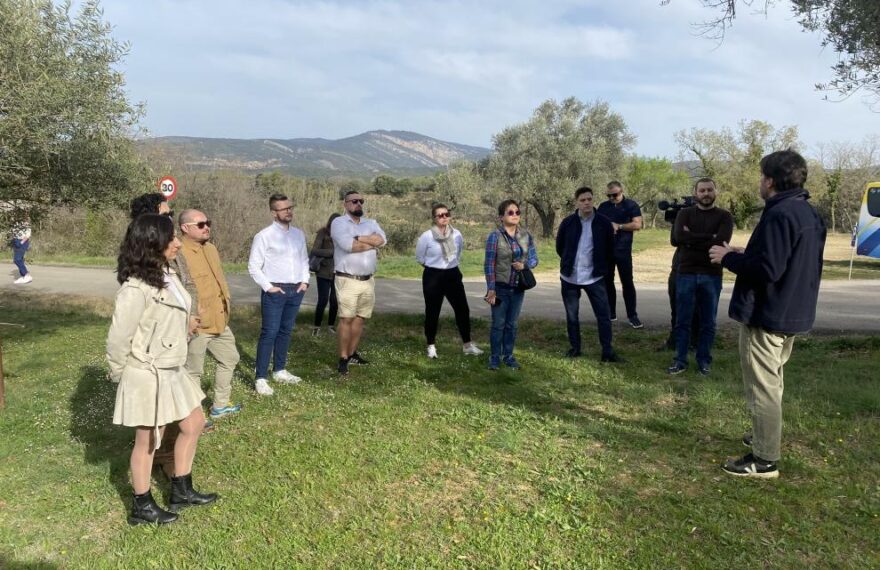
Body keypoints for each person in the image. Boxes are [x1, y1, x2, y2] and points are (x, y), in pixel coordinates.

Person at [709, 150, 826, 479]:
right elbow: (787, 258)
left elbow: (767, 269)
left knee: (762, 388)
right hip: (792, 312)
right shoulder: (808, 212)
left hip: (767, 314)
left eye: (762, 177)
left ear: (771, 181)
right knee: (773, 383)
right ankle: (765, 434)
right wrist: (746, 252)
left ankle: (763, 460)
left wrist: (726, 258)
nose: (760, 182)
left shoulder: (779, 214)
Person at [106, 214, 217, 525]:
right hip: (147, 373)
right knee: (149, 442)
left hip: (173, 367)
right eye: (172, 238)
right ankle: (141, 506)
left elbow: (170, 314)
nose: (178, 243)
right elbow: (118, 340)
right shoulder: (135, 288)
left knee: (194, 423)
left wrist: (186, 325)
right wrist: (124, 378)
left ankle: (181, 490)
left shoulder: (167, 273)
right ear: (154, 243)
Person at [177, 209, 241, 418]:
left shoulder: (211, 249)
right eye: (200, 224)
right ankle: (194, 417)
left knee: (230, 358)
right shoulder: (178, 252)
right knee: (193, 371)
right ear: (185, 228)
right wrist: (190, 318)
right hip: (197, 324)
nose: (207, 228)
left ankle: (219, 406)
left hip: (219, 319)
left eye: (208, 223)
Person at [667, 178, 733, 376]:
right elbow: (679, 237)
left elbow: (722, 241)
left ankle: (704, 360)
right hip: (686, 273)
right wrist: (710, 237)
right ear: (695, 193)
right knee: (682, 320)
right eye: (702, 190)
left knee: (708, 322)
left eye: (709, 190)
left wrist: (692, 238)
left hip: (711, 274)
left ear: (715, 192)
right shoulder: (684, 214)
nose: (706, 194)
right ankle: (680, 360)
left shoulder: (724, 216)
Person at [247, 193, 310, 396]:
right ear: (274, 213)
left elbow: (304, 260)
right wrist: (269, 287)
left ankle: (279, 370)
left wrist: (305, 281)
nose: (289, 211)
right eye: (284, 209)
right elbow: (254, 266)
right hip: (275, 290)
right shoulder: (264, 236)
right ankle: (261, 377)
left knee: (286, 331)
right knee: (270, 332)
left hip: (296, 289)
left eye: (290, 207)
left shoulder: (298, 234)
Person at [555, 187, 621, 363]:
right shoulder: (568, 223)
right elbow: (560, 247)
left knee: (603, 316)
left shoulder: (603, 223)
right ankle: (575, 349)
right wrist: (569, 262)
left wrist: (601, 268)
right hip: (570, 277)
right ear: (576, 202)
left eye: (589, 199)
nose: (587, 203)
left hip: (594, 278)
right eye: (583, 200)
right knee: (572, 316)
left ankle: (607, 352)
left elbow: (610, 249)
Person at [415, 204, 483, 359]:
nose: (444, 217)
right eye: (440, 215)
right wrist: (434, 267)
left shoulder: (457, 234)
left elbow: (458, 254)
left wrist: (450, 267)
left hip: (452, 274)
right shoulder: (427, 236)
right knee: (432, 311)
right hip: (433, 275)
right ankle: (431, 346)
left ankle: (467, 345)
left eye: (446, 214)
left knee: (462, 310)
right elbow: (420, 257)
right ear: (434, 218)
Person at [330, 191, 386, 376]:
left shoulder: (371, 222)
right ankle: (343, 358)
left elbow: (382, 241)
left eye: (361, 201)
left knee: (360, 318)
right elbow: (349, 246)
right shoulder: (339, 223)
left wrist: (359, 238)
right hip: (347, 279)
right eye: (354, 201)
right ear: (345, 204)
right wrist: (371, 241)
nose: (359, 204)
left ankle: (352, 354)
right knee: (346, 319)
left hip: (368, 280)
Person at [484, 199, 538, 370]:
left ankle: (508, 356)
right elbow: (489, 264)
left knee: (512, 325)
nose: (515, 215)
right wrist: (491, 288)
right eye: (510, 212)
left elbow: (534, 259)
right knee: (498, 324)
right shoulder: (495, 237)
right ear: (501, 217)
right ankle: (494, 358)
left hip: (518, 288)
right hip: (500, 288)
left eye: (517, 212)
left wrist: (525, 265)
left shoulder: (526, 236)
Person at [597, 181, 643, 328]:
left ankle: (632, 315)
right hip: (606, 251)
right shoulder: (603, 207)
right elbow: (597, 224)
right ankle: (611, 313)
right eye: (609, 195)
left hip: (623, 250)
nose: (612, 198)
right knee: (607, 282)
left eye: (615, 195)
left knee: (627, 283)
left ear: (621, 191)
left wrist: (619, 226)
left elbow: (637, 224)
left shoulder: (631, 205)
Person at [310, 213, 341, 336]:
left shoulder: (343, 235)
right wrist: (331, 252)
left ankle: (331, 326)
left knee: (335, 301)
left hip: (338, 273)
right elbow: (314, 250)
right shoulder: (323, 232)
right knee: (322, 300)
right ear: (331, 222)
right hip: (323, 272)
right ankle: (316, 327)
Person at [11, 214, 32, 284]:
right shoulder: (17, 224)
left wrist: (21, 243)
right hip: (16, 241)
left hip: (22, 242)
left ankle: (26, 274)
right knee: (20, 260)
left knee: (17, 260)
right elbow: (14, 233)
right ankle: (23, 276)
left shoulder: (26, 225)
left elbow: (27, 235)